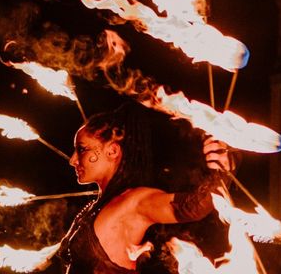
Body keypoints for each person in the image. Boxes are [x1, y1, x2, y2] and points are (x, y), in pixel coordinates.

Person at [57, 103, 233, 274]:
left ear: (112, 151)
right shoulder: (94, 208)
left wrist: (223, 167)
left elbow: (193, 206)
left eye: (81, 149)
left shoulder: (135, 202)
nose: (73, 160)